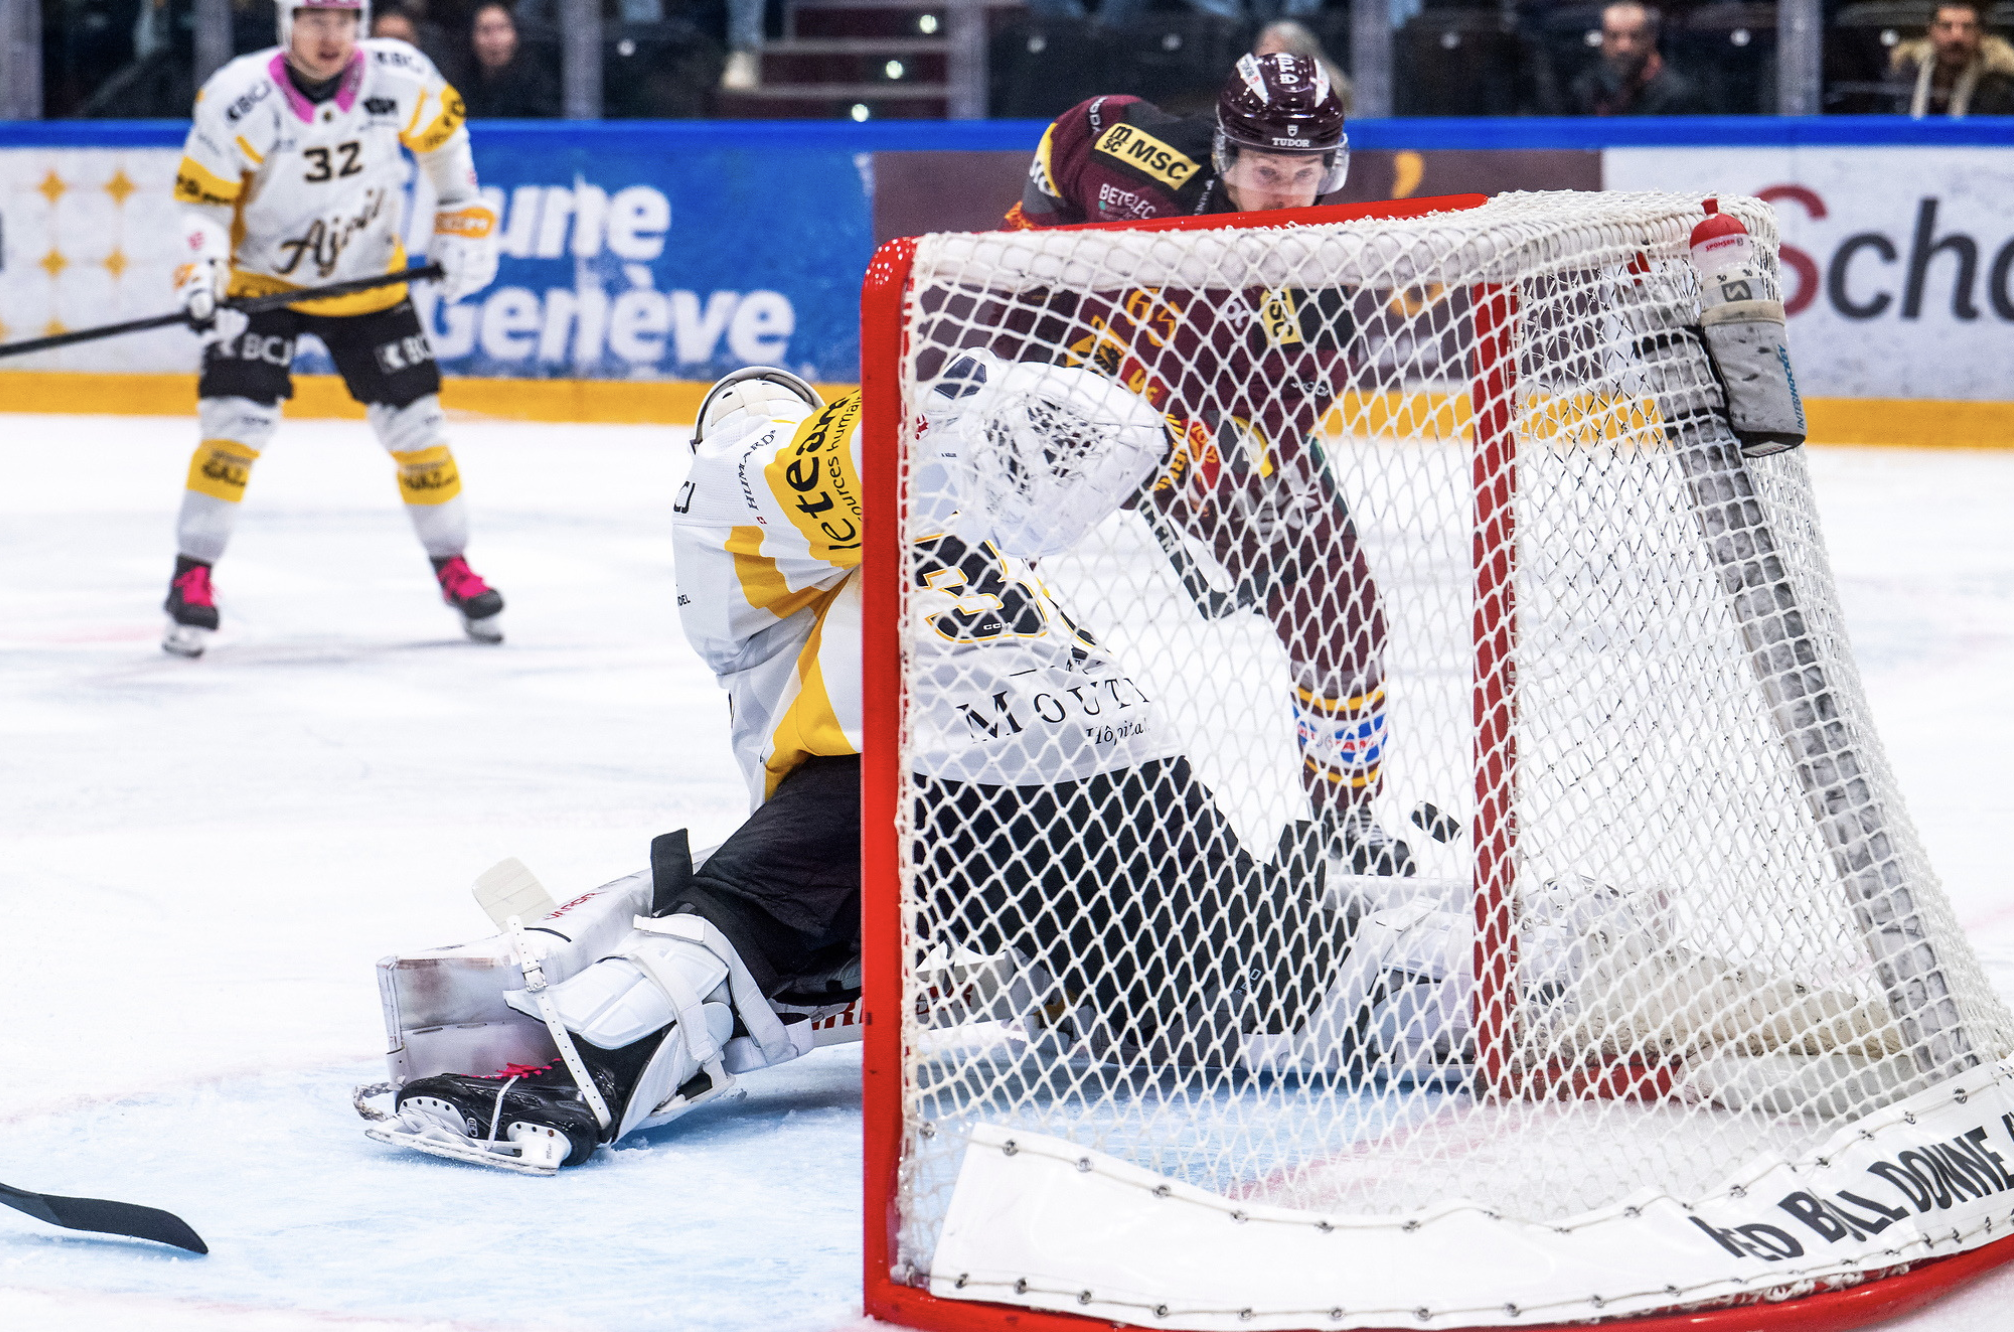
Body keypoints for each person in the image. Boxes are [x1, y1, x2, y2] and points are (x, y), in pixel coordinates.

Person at [363, 363, 1358, 1171]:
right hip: (1122, 752)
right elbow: (1070, 439)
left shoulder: (726, 492)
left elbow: (810, 465)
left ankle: (578, 1076)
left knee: (735, 922)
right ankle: (1413, 966)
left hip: (922, 769)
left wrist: (934, 411)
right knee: (1231, 985)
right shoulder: (940, 525)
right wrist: (962, 409)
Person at [1006, 52, 1415, 877]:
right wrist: (1039, 283)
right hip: (1075, 394)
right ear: (1225, 154)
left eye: (1308, 173)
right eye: (1267, 171)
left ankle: (1344, 818)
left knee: (1339, 608)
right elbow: (1076, 132)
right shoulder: (1138, 163)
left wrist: (1199, 451)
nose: (1288, 195)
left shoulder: (1321, 277)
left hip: (1210, 434)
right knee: (962, 552)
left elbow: (1283, 422)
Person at [165, 0, 504, 657]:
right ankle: (191, 577)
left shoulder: (398, 74)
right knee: (233, 427)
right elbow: (203, 201)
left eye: (346, 20)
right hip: (263, 285)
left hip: (367, 280)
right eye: (316, 19)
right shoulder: (239, 96)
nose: (332, 35)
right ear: (287, 22)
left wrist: (460, 214)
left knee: (418, 429)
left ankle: (454, 567)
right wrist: (202, 270)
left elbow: (445, 143)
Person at [1566, 2, 1702, 116]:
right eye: (1614, 36)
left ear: (1651, 39)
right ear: (1602, 39)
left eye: (1634, 36)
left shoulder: (1677, 96)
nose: (1623, 47)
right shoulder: (1585, 90)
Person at [1890, 0, 2014, 118]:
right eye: (1946, 26)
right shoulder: (1904, 78)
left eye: (1967, 27)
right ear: (1930, 31)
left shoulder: (2000, 88)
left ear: (1979, 34)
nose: (1956, 37)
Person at [458, 1, 561, 117]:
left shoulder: (539, 86)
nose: (495, 40)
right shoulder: (459, 86)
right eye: (485, 30)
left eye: (502, 28)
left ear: (516, 35)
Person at [1253, 18, 1350, 112]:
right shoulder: (1254, 87)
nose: (1260, 53)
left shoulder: (1330, 86)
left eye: (1266, 45)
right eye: (1261, 45)